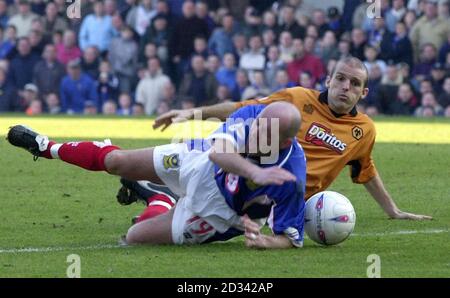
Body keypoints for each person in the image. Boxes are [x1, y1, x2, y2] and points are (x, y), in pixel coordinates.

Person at [153, 57, 432, 221]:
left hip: (281, 202)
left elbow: (365, 170)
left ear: (364, 93)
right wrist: (192, 113)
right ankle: (154, 186)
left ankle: (158, 197)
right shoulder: (297, 98)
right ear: (328, 81)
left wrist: (393, 210)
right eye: (340, 79)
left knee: (185, 216)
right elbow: (244, 108)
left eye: (355, 84)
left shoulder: (364, 130)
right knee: (178, 162)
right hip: (250, 179)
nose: (345, 87)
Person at [7, 102, 306, 249]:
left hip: (216, 215)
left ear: (284, 142)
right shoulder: (253, 116)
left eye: (265, 132)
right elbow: (218, 153)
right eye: (257, 124)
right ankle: (47, 146)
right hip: (198, 161)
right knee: (115, 160)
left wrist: (266, 243)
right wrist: (254, 170)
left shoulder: (292, 177)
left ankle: (159, 198)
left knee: (135, 238)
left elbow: (291, 238)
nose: (255, 131)